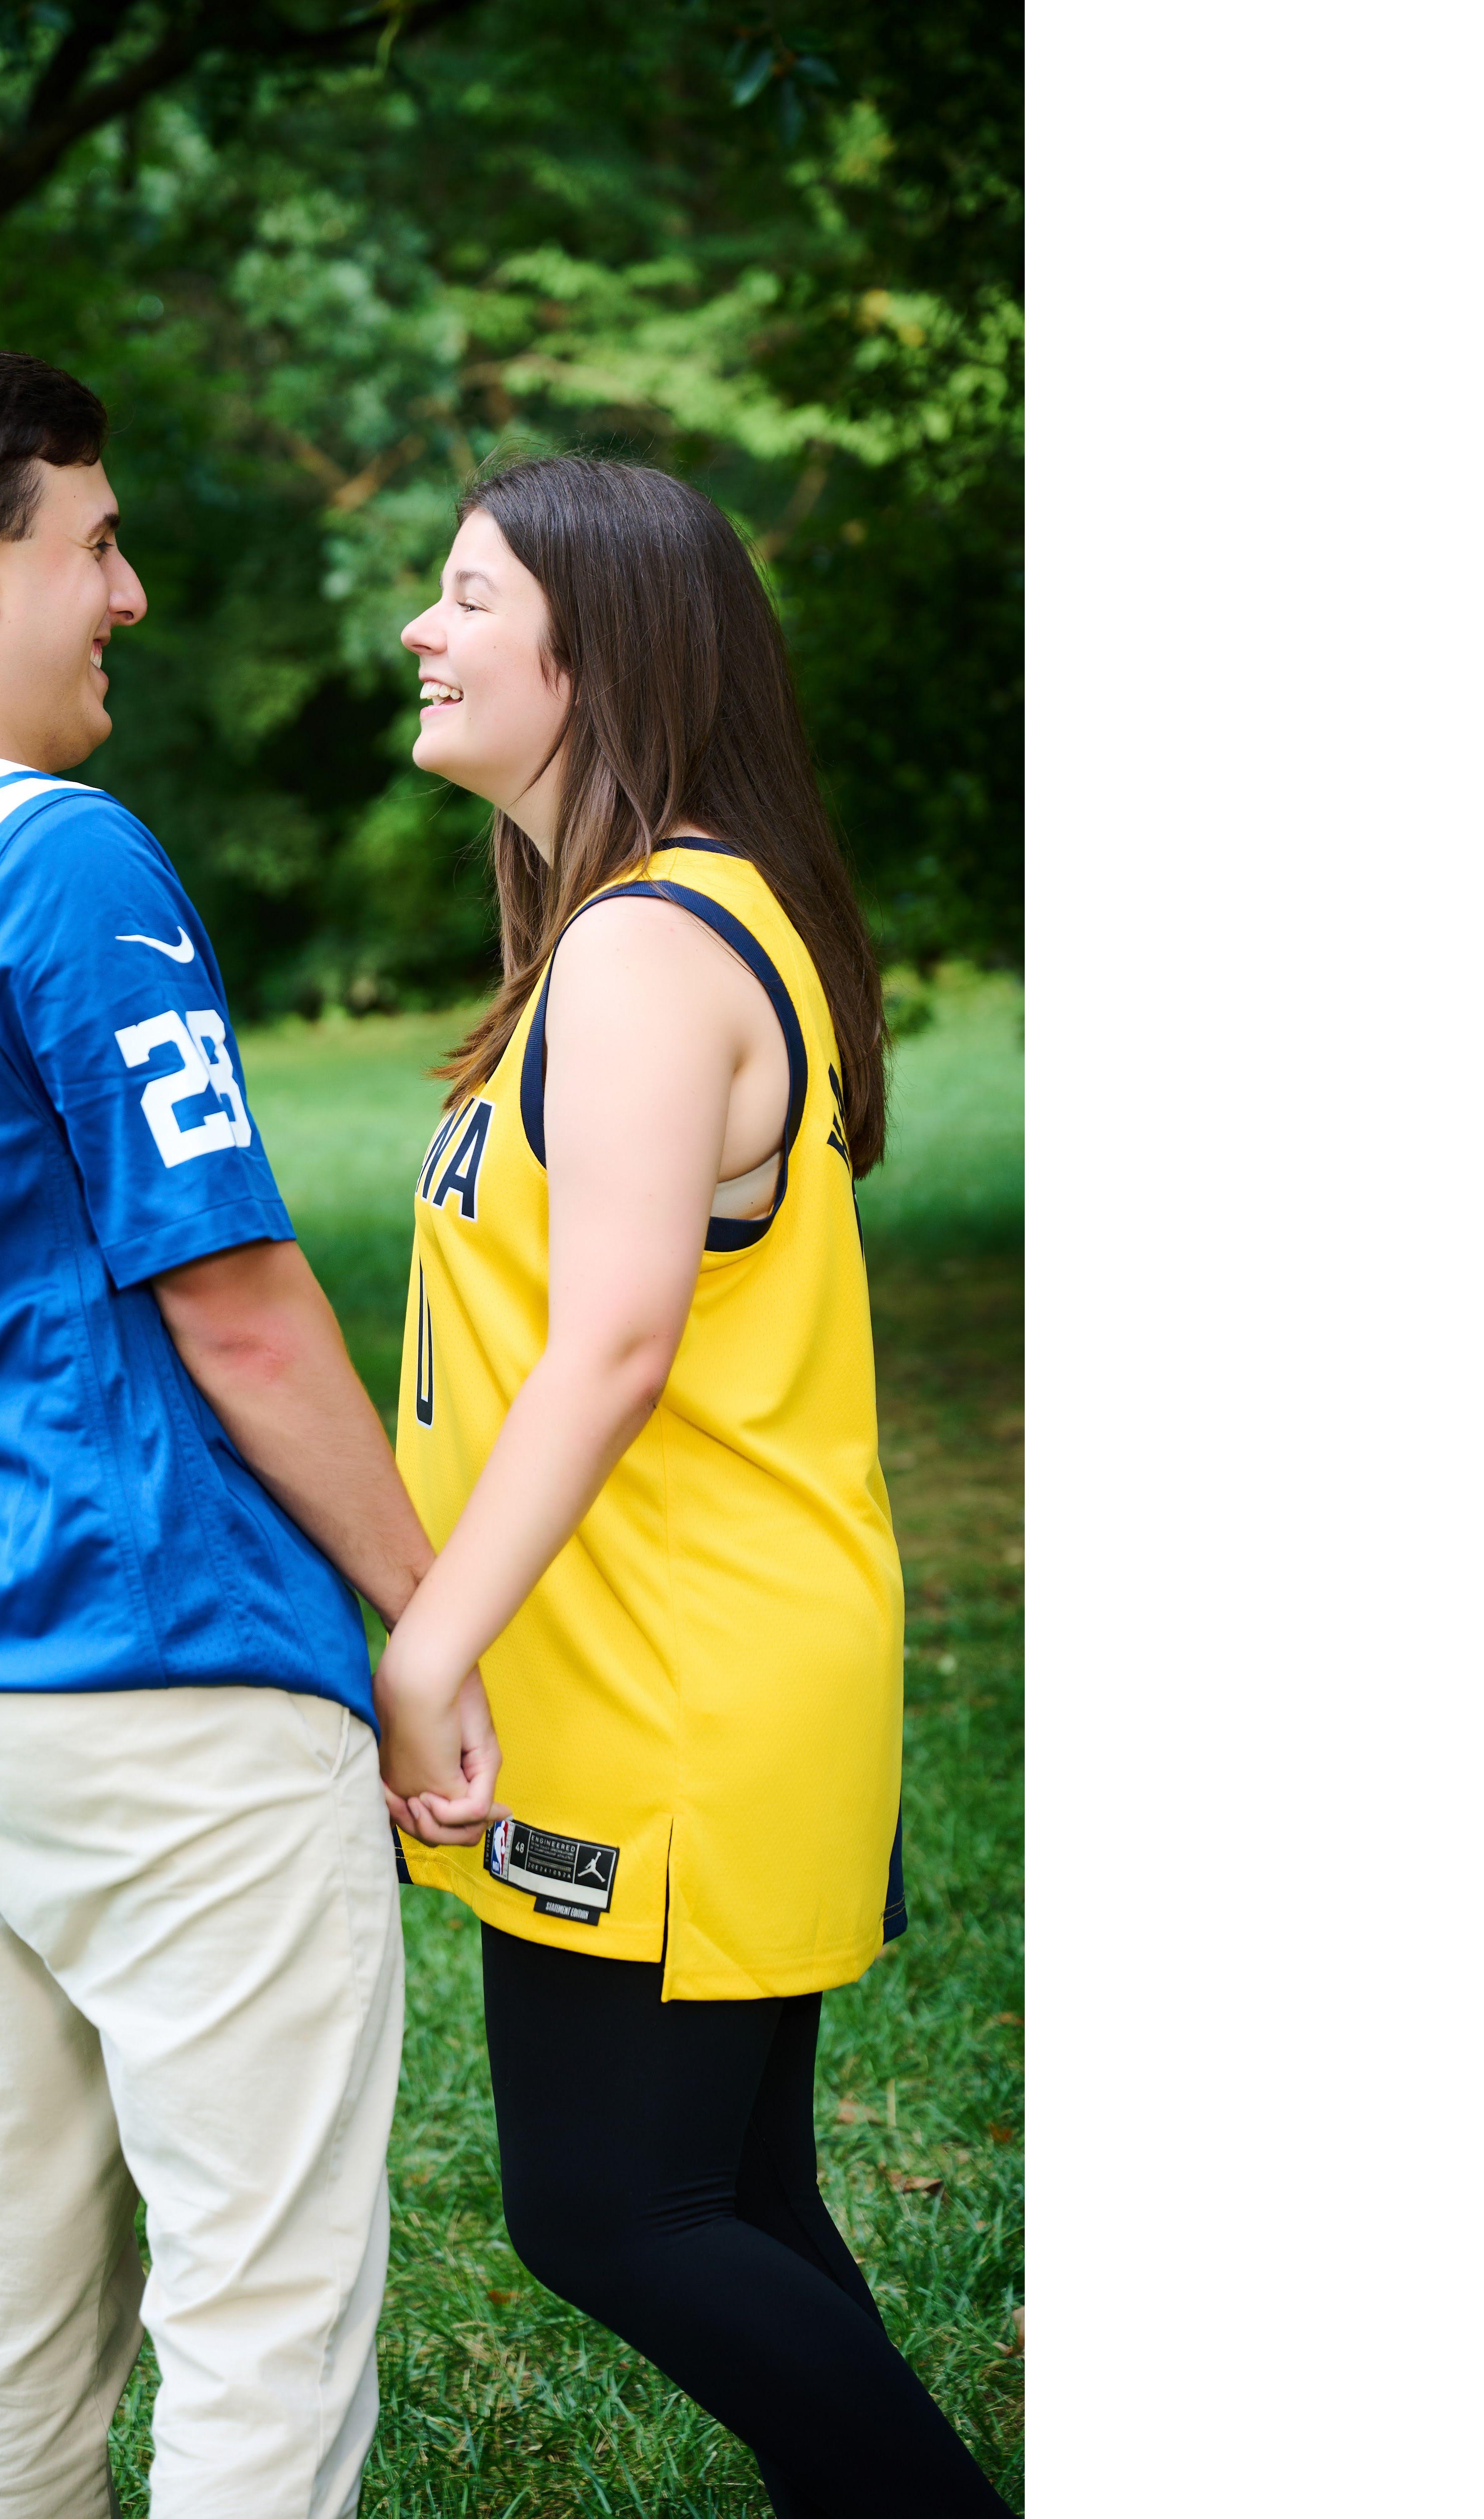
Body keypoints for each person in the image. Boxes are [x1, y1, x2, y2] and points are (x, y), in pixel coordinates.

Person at [0, 349, 499, 2519]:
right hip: (146, 1665)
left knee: (14, 2297)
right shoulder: (50, 852)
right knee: (260, 2309)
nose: (129, 594)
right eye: (100, 543)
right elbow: (235, 1306)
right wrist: (429, 1624)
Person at [376, 455, 1013, 2517]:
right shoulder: (656, 924)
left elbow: (618, 1343)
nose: (423, 630)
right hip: (680, 1663)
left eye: (472, 596)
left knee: (615, 2215)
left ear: (605, 652)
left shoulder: (655, 944)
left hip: (684, 1688)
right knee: (730, 2194)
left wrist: (424, 1652)